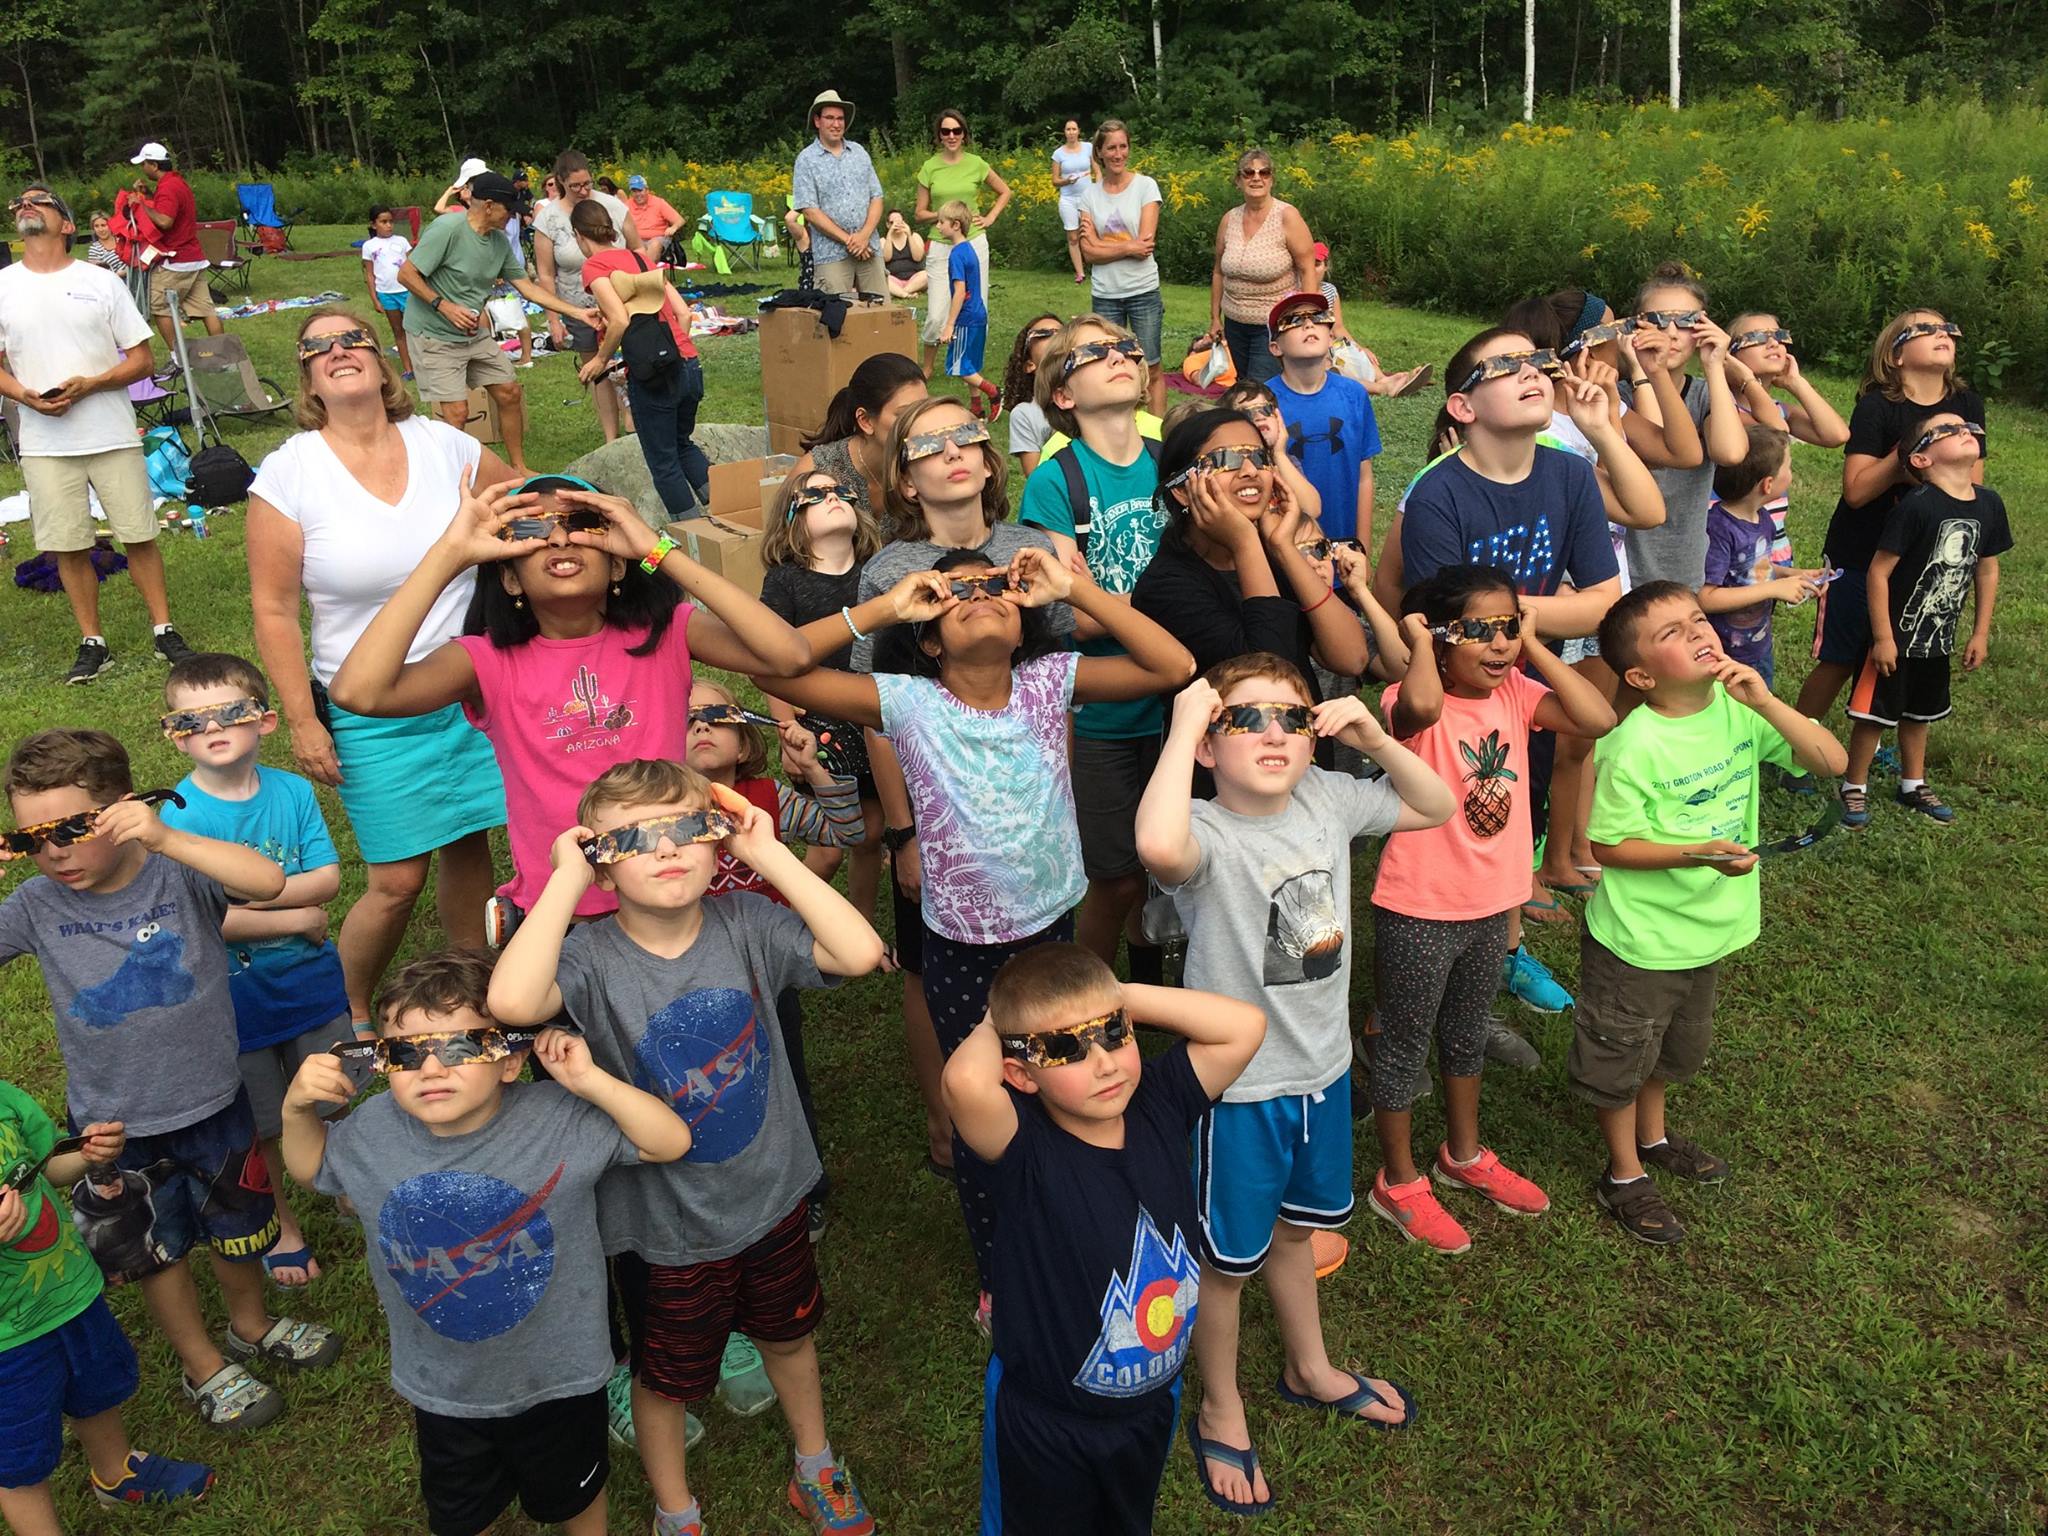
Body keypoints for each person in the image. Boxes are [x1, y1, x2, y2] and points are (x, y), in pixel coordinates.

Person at [752, 545, 1195, 1333]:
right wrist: (884, 608)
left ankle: (1073, 1224)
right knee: (984, 1111)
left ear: (1024, 623)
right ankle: (999, 1270)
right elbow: (774, 668)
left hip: (1051, 930)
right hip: (961, 947)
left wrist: (1075, 589)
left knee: (1061, 1089)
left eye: (995, 587)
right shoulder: (904, 699)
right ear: (928, 635)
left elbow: (1174, 664)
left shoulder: (1052, 679)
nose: (979, 595)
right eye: (953, 593)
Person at [489, 758, 886, 1536]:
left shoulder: (748, 924)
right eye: (635, 838)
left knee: (789, 1337)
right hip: (662, 1225)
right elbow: (511, 1001)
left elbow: (858, 953)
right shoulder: (589, 958)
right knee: (664, 1378)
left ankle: (816, 1465)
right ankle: (677, 1509)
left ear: (718, 840)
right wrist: (564, 879)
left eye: (687, 828)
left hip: (771, 1193)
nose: (667, 848)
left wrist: (765, 852)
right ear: (602, 864)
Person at [1133, 656, 1452, 1514]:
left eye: (1293, 718)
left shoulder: (1328, 798)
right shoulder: (1202, 828)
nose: (1273, 733)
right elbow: (1157, 847)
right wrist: (1182, 725)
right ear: (1208, 747)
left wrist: (1374, 735)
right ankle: (1220, 1402)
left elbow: (1435, 804)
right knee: (1225, 1262)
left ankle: (1309, 1366)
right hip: (1240, 1091)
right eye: (1245, 720)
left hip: (1323, 1071)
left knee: (1297, 1231)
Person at [0, 728, 340, 1434]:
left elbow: (266, 882)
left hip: (216, 1099)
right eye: (32, 838)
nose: (54, 851)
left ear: (124, 810)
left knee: (240, 1228)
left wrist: (166, 836)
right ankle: (202, 1363)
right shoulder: (34, 905)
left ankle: (250, 1324)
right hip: (112, 1128)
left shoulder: (177, 870)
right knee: (155, 1252)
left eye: (71, 829)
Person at [283, 950, 689, 1536]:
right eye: (404, 1053)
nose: (430, 1068)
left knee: (575, 1503)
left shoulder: (559, 1119)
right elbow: (312, 1167)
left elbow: (668, 1141)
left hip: (560, 1375)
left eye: (458, 1047)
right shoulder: (370, 1132)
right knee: (460, 1514)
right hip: (442, 1386)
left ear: (510, 1060)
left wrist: (590, 1081)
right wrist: (296, 1109)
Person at [328, 472, 808, 932]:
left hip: (674, 894)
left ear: (617, 563)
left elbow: (788, 655)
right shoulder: (486, 662)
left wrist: (656, 549)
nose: (559, 539)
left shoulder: (667, 634)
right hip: (563, 913)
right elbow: (358, 692)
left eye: (582, 525)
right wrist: (449, 554)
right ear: (510, 579)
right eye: (531, 530)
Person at [246, 309, 515, 1024]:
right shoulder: (289, 474)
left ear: (380, 359)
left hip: (469, 688)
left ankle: (470, 992)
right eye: (319, 347)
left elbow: (524, 500)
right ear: (308, 377)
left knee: (470, 844)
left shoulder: (447, 445)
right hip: (370, 704)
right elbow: (273, 611)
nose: (338, 350)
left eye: (352, 339)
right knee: (397, 880)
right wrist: (303, 721)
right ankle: (348, 1008)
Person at [943, 944, 1266, 1536]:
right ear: (1020, 1075)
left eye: (1114, 1034)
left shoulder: (1158, 1103)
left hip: (1150, 1406)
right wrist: (997, 1021)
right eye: (1064, 1047)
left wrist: (1118, 996)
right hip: (1046, 1423)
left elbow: (1243, 1026)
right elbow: (964, 1081)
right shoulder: (1024, 1148)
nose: (1103, 1063)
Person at [1577, 582, 1845, 1243]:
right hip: (1641, 941)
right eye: (1671, 633)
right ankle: (1623, 1173)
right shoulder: (1631, 744)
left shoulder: (1737, 709)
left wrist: (1767, 701)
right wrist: (1693, 853)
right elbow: (1607, 845)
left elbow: (1830, 761)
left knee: (1672, 1047)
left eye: (1697, 621)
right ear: (1641, 676)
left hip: (1707, 930)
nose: (1698, 633)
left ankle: (1654, 1136)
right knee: (1622, 1057)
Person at [1367, 568, 1615, 1254]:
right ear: (1440, 637)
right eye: (1479, 630)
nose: (1499, 642)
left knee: (1468, 1031)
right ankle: (1398, 1181)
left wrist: (1532, 647)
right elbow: (1420, 706)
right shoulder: (1405, 697)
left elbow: (1598, 718)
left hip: (1490, 904)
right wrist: (1419, 641)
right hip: (1419, 906)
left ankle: (1463, 1154)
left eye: (1508, 626)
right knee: (1405, 1043)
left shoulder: (1516, 692)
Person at [1399, 328, 1625, 1016]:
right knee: (1455, 825)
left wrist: (1511, 620)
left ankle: (1502, 952)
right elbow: (1448, 626)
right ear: (1462, 407)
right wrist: (1531, 621)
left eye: (1535, 361)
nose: (1532, 372)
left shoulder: (1570, 474)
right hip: (1452, 686)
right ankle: (1430, 964)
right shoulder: (1438, 493)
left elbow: (1605, 600)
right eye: (1506, 366)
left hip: (1525, 676)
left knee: (1516, 812)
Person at [157, 653, 357, 1293]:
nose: (211, 727)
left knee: (336, 1097)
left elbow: (328, 878)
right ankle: (283, 1223)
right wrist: (297, 918)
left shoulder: (293, 792)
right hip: (233, 1003)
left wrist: (250, 906)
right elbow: (200, 922)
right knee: (261, 1125)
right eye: (190, 719)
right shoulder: (176, 819)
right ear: (173, 735)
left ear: (265, 720)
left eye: (228, 712)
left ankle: (347, 1182)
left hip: (313, 988)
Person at [1018, 315, 1169, 979]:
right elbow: (1069, 617)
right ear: (1063, 394)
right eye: (1095, 353)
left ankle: (1151, 980)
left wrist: (1107, 601)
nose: (1119, 356)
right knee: (1115, 878)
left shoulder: (1171, 460)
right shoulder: (1054, 482)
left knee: (1174, 862)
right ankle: (1087, 997)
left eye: (1126, 348)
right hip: (1102, 715)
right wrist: (1169, 605)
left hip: (1182, 701)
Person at [0, 183, 196, 684]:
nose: (26, 206)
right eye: (20, 202)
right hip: (44, 442)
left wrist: (91, 384)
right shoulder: (3, 286)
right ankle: (94, 642)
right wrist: (24, 396)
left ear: (66, 225)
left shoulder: (101, 281)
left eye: (39, 201)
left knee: (139, 534)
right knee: (68, 545)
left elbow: (141, 360)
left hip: (110, 433)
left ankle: (164, 629)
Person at [0, 1095, 216, 1525]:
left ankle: (116, 1473)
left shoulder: (6, 1098)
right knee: (17, 1453)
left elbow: (47, 1163)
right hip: (9, 1340)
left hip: (71, 1291)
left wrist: (85, 1154)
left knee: (94, 1389)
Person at [1797, 308, 1985, 732]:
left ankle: (1871, 743)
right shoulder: (1877, 406)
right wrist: (1908, 455)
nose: (1941, 334)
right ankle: (1791, 744)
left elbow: (1970, 486)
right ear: (1896, 355)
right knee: (1841, 658)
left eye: (1946, 328)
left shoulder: (1967, 405)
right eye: (1925, 329)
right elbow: (1856, 491)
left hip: (1922, 559)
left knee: (1900, 657)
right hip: (1860, 552)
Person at [1131, 408, 1370, 693]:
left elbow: (1351, 659)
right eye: (1226, 460)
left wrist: (1284, 548)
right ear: (1182, 490)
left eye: (1259, 457)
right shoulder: (1164, 586)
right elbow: (1269, 681)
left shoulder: (1274, 554)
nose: (1250, 471)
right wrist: (1245, 544)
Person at [1843, 413, 2006, 827]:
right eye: (1947, 431)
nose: (1964, 432)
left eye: (1966, 428)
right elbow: (1878, 573)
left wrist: (1980, 633)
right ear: (1920, 459)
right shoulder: (1916, 506)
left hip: (1938, 638)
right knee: (1874, 715)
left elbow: (1987, 569)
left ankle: (1912, 783)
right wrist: (1883, 637)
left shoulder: (1990, 504)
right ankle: (1853, 786)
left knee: (1921, 713)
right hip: (1894, 639)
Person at [397, 170, 599, 476]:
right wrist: (445, 306)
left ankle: (518, 468)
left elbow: (527, 287)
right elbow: (406, 274)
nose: (513, 217)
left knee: (509, 392)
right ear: (489, 206)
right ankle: (455, 480)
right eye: (509, 210)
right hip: (433, 334)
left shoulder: (498, 242)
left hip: (472, 335)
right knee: (456, 413)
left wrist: (578, 313)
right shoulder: (447, 229)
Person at [758, 468, 887, 918]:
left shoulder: (878, 571)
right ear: (791, 518)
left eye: (840, 490)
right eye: (815, 494)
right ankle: (778, 918)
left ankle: (862, 922)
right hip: (818, 733)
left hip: (874, 722)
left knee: (871, 833)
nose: (832, 496)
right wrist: (785, 730)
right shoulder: (785, 580)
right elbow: (768, 661)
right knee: (830, 846)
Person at [573, 202, 713, 519]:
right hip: (688, 362)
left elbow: (620, 320)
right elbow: (683, 313)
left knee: (663, 461)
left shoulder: (595, 266)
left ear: (578, 235)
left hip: (656, 375)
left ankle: (693, 534)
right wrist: (674, 351)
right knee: (682, 444)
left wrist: (600, 360)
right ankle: (730, 512)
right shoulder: (640, 259)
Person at [1620, 264, 1755, 589]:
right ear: (1634, 326)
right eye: (1656, 320)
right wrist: (1647, 371)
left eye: (1686, 321)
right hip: (1622, 566)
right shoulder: (1615, 396)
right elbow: (1657, 451)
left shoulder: (1706, 395)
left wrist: (1714, 365)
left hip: (1683, 568)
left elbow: (1730, 452)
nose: (1670, 333)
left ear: (1703, 327)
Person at [1701, 426, 1825, 690]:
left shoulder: (1763, 520)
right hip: (1723, 656)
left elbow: (1752, 568)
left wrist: (1791, 575)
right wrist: (1774, 589)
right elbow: (1705, 597)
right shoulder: (1719, 529)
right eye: (1788, 468)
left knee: (1758, 709)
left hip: (1757, 648)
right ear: (1767, 484)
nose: (1791, 474)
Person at [1724, 313, 1851, 565]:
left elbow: (1837, 434)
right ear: (1731, 356)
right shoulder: (1720, 407)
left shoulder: (1779, 409)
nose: (1774, 343)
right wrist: (1746, 379)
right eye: (1758, 338)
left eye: (1779, 336)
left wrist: (1796, 383)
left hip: (1772, 536)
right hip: (1730, 539)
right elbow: (1775, 431)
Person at [534, 154, 642, 444]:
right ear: (560, 183)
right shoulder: (548, 219)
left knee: (629, 364)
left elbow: (638, 249)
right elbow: (546, 274)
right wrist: (554, 320)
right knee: (598, 370)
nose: (583, 191)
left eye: (587, 184)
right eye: (575, 186)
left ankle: (634, 422)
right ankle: (610, 438)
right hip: (579, 307)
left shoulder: (613, 206)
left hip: (623, 300)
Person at [1265, 290, 1381, 546]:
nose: (1308, 323)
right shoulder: (1264, 402)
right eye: (1293, 320)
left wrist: (1362, 545)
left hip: (1344, 544)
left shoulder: (1354, 395)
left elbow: (1364, 476)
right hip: (1287, 545)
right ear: (1275, 347)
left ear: (1331, 337)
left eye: (1318, 317)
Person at [1078, 120, 1166, 417]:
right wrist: (1127, 247)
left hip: (1143, 291)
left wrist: (1101, 245)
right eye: (1111, 148)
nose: (1118, 154)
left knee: (1150, 366)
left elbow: (1145, 247)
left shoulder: (1145, 186)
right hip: (1106, 294)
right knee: (1109, 366)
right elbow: (1088, 253)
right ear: (1100, 152)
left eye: (1123, 146)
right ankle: (1118, 426)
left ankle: (1156, 434)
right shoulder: (1089, 196)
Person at [1205, 149, 1315, 387]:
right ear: (1238, 180)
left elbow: (1308, 268)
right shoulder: (1229, 219)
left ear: (1272, 179)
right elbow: (1218, 272)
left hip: (1272, 323)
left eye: (1264, 172)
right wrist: (1215, 318)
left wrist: (1306, 316)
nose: (1256, 178)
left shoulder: (1287, 216)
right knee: (1243, 384)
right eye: (1248, 173)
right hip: (1235, 323)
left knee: (1259, 387)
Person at [790, 352, 930, 535]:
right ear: (865, 420)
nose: (920, 423)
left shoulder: (930, 461)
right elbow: (786, 543)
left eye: (924, 411)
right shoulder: (817, 471)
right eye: (905, 415)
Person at [915, 109, 1010, 375]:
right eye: (945, 131)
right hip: (940, 244)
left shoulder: (976, 163)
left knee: (976, 306)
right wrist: (943, 215)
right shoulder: (930, 167)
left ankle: (970, 367)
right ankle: (927, 367)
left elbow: (1005, 191)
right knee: (936, 313)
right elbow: (919, 213)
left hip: (973, 243)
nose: (951, 136)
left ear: (964, 134)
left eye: (956, 131)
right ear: (939, 136)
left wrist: (990, 217)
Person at [125, 142, 223, 354]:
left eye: (144, 164)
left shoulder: (167, 187)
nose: (143, 168)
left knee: (159, 308)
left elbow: (165, 220)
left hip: (176, 261)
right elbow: (169, 208)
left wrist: (140, 204)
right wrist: (149, 196)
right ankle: (223, 354)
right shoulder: (177, 182)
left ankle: (177, 358)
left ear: (154, 165)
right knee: (206, 309)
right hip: (195, 257)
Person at [793, 89, 887, 299]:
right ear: (817, 121)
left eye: (840, 118)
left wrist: (864, 236)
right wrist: (850, 241)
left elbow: (876, 197)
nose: (836, 124)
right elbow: (810, 211)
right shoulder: (806, 160)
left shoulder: (859, 153)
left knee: (880, 310)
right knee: (835, 312)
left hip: (869, 248)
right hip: (831, 254)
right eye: (830, 118)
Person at [1309, 239, 1428, 397]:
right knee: (1332, 366)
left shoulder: (1330, 291)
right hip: (1315, 348)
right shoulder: (1296, 293)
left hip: (1335, 344)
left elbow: (1338, 327)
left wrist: (1359, 347)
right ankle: (1384, 386)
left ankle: (1386, 379)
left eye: (1317, 264)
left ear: (1326, 267)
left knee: (1356, 352)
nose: (1311, 269)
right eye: (1308, 264)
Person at [934, 202, 997, 419]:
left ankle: (994, 392)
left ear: (956, 225)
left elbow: (960, 292)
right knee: (970, 364)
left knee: (957, 366)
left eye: (941, 222)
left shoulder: (957, 255)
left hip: (966, 318)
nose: (938, 226)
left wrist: (949, 325)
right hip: (978, 315)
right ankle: (976, 408)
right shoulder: (969, 249)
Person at [998, 313, 1062, 475]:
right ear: (1029, 365)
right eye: (1043, 334)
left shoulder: (1091, 396)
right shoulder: (1025, 414)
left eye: (1062, 332)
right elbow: (1035, 477)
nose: (1055, 337)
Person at [361, 205, 416, 380]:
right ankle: (408, 368)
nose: (389, 225)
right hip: (386, 294)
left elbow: (413, 266)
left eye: (391, 222)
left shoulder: (402, 241)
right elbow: (370, 274)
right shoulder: (369, 246)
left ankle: (422, 364)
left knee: (415, 329)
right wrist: (375, 299)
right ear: (374, 224)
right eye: (383, 222)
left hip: (407, 291)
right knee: (398, 331)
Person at [1051, 118, 1095, 284]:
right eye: (1068, 129)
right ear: (1065, 132)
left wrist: (1098, 187)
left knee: (1089, 232)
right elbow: (1055, 180)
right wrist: (1067, 181)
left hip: (1086, 197)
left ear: (1078, 131)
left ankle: (1096, 265)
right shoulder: (1058, 154)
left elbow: (1096, 169)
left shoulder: (1088, 148)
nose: (1071, 132)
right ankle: (1080, 273)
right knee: (1073, 236)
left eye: (1074, 129)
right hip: (1068, 199)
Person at [624, 174, 686, 252]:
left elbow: (680, 220)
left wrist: (673, 228)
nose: (637, 194)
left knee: (655, 244)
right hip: (636, 240)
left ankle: (646, 260)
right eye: (634, 191)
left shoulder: (659, 203)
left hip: (657, 238)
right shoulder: (626, 205)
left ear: (647, 190)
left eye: (640, 190)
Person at [880, 208, 927, 299]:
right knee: (882, 278)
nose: (896, 225)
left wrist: (909, 235)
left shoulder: (915, 236)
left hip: (915, 278)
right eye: (892, 222)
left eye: (899, 222)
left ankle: (901, 292)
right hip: (893, 279)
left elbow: (918, 257)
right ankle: (905, 294)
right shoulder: (883, 241)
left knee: (926, 275)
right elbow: (886, 258)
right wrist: (889, 235)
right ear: (887, 225)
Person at [85, 211, 128, 277]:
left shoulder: (122, 239)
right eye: (96, 226)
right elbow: (98, 275)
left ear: (110, 225)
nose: (100, 229)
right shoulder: (94, 249)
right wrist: (119, 274)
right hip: (115, 280)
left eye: (103, 225)